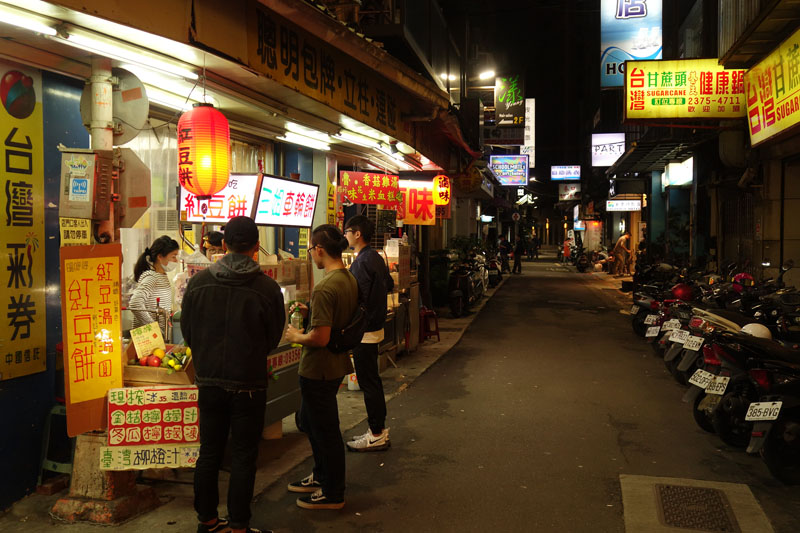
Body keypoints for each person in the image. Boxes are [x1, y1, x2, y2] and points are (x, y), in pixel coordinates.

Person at [180, 216, 285, 533]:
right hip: (249, 384)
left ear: (223, 245)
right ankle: (239, 526)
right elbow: (273, 337)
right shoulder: (266, 288)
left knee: (209, 452)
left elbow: (188, 332)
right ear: (256, 248)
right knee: (243, 455)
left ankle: (208, 522)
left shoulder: (198, 283)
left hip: (209, 381)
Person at [285, 225, 359, 510]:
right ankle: (321, 475)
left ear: (318, 249)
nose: (311, 255)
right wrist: (311, 312)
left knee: (325, 430)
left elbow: (320, 337)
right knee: (312, 423)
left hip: (319, 368)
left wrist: (295, 336)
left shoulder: (326, 287)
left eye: (310, 250)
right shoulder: (346, 278)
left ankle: (332, 492)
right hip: (335, 365)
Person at [343, 215, 394, 452]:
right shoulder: (374, 257)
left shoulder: (363, 261)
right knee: (372, 381)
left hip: (364, 330)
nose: (345, 235)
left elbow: (357, 296)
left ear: (357, 234)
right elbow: (390, 285)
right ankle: (378, 430)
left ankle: (376, 433)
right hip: (375, 327)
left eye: (347, 231)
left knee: (369, 382)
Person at [129, 235, 179, 337]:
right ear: (160, 257)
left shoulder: (162, 276)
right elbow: (135, 303)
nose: (176, 261)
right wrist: (153, 328)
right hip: (147, 339)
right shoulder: (152, 277)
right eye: (173, 256)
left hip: (157, 338)